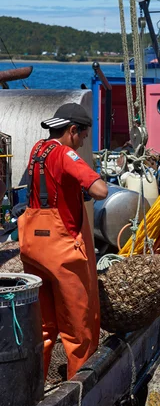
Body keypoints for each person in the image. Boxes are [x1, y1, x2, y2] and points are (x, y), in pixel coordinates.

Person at [18, 103, 108, 379]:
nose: (81, 144)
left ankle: (33, 389)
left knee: (43, 326)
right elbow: (101, 190)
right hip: (62, 250)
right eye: (82, 137)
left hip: (33, 247)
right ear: (72, 130)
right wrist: (87, 184)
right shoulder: (66, 153)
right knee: (79, 328)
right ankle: (79, 392)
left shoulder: (37, 150)